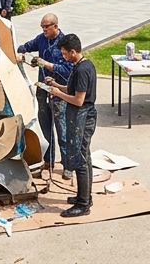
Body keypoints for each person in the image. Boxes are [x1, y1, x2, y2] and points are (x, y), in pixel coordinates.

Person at [46, 34, 96, 219]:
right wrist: (57, 86)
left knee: (79, 158)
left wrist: (59, 93)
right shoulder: (81, 65)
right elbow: (73, 90)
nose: (64, 57)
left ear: (73, 52)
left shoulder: (83, 70)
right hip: (80, 115)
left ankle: (83, 204)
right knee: (85, 156)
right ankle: (84, 197)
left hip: (83, 116)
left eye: (65, 54)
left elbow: (78, 99)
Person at [18, 13, 73, 178]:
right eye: (42, 27)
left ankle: (67, 165)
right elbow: (26, 46)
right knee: (45, 128)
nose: (44, 30)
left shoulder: (64, 44)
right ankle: (48, 160)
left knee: (62, 131)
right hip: (42, 90)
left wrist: (47, 65)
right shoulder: (41, 39)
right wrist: (21, 52)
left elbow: (67, 70)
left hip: (58, 92)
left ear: (55, 26)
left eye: (46, 27)